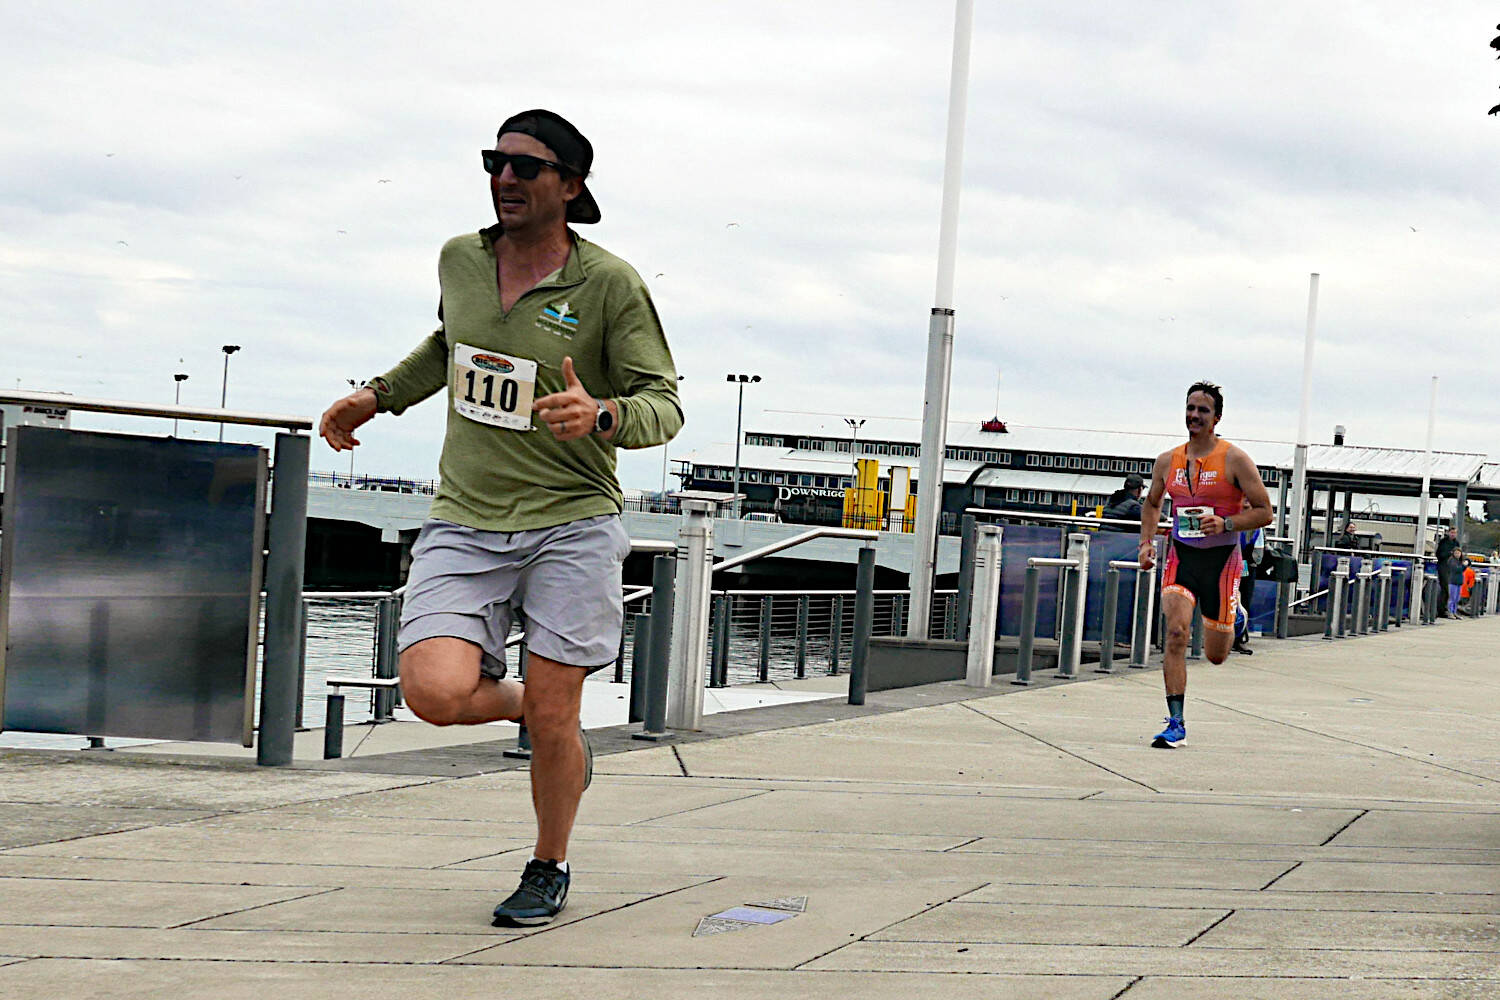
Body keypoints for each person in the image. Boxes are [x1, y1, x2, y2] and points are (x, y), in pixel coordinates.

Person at [318, 109, 682, 927]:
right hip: (467, 516)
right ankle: (531, 706)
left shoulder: (610, 284)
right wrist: (375, 396)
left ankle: (547, 863)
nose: (506, 179)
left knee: (559, 711)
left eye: (527, 167)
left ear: (571, 186)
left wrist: (602, 415)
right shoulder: (459, 260)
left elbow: (664, 402)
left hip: (572, 521)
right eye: (496, 162)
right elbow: (447, 347)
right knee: (434, 694)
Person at [1138, 381, 1273, 748]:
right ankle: (1176, 723)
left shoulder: (1235, 459)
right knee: (1176, 633)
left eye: (1203, 410)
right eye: (1190, 408)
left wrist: (1227, 523)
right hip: (1181, 556)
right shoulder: (1168, 460)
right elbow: (1152, 504)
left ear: (1217, 418)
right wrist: (1147, 543)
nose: (1194, 415)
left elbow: (1265, 512)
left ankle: (1236, 615)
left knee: (1215, 655)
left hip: (1222, 562)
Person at [1435, 527, 1460, 618]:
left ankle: (1450, 609)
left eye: (1455, 533)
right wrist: (1449, 553)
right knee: (1445, 588)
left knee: (1453, 589)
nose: (1453, 534)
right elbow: (1439, 554)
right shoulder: (1443, 542)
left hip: (1452, 569)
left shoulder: (1456, 543)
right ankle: (1442, 610)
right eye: (1452, 532)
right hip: (1443, 567)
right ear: (1449, 533)